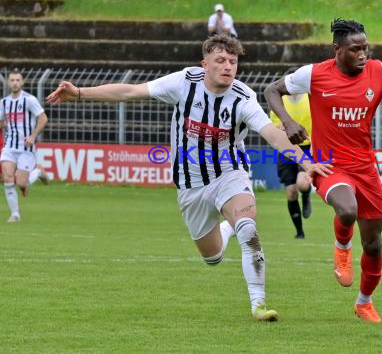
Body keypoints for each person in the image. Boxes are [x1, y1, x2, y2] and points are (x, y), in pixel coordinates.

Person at [46, 35, 331, 322]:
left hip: (230, 175)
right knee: (213, 257)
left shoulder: (243, 98)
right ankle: (226, 227)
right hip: (190, 184)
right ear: (204, 64)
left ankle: (258, 305)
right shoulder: (184, 83)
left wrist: (306, 162)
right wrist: (80, 92)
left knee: (248, 230)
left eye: (233, 62)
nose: (228, 67)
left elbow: (271, 134)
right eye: (220, 61)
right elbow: (130, 91)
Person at [264, 19, 382, 324]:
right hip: (328, 162)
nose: (363, 54)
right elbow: (272, 90)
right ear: (337, 50)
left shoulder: (379, 72)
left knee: (374, 244)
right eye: (355, 49)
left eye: (366, 47)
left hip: (364, 167)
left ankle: (364, 302)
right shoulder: (314, 74)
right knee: (347, 209)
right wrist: (287, 122)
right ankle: (342, 248)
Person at [1, 69, 48, 222]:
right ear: (8, 83)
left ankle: (38, 172)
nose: (15, 83)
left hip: (25, 148)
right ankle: (15, 214)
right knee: (8, 178)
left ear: (22, 82)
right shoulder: (4, 102)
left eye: (17, 80)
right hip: (9, 147)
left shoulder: (29, 100)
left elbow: (43, 118)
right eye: (12, 80)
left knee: (21, 182)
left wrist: (33, 136)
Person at [269, 93, 313, 239]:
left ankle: (306, 197)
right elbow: (274, 127)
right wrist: (279, 129)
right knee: (291, 192)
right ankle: (299, 232)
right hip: (286, 149)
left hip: (307, 147)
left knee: (302, 183)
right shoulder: (279, 102)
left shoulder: (310, 98)